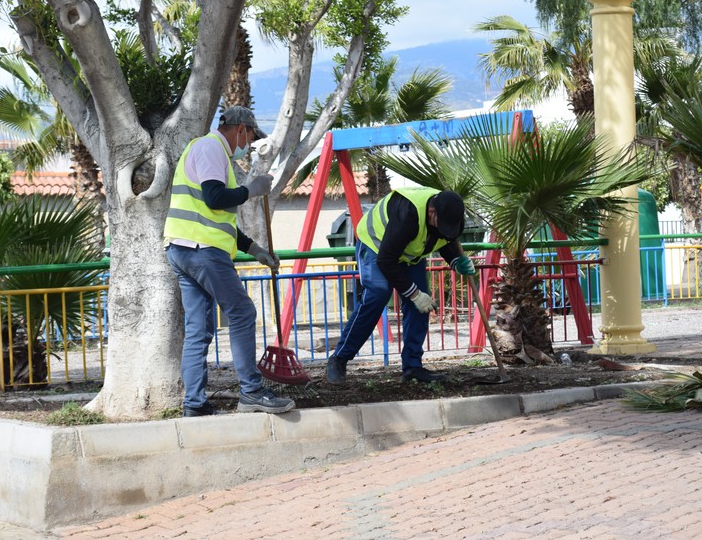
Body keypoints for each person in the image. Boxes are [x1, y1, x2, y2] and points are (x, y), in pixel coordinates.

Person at [164, 105, 295, 417]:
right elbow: (214, 197)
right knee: (242, 312)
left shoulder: (204, 150)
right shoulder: (212, 148)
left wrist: (255, 250)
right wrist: (249, 190)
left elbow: (217, 219)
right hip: (202, 250)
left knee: (198, 329)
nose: (248, 146)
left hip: (183, 249)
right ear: (240, 129)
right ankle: (251, 392)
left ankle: (194, 405)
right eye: (249, 138)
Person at [325, 188, 475, 384]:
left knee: (422, 305)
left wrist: (455, 260)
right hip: (377, 247)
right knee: (378, 294)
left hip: (410, 255)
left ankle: (413, 367)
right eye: (442, 224)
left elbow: (444, 238)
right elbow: (386, 261)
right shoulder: (409, 214)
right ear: (432, 213)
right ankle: (339, 359)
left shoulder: (450, 212)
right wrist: (414, 294)